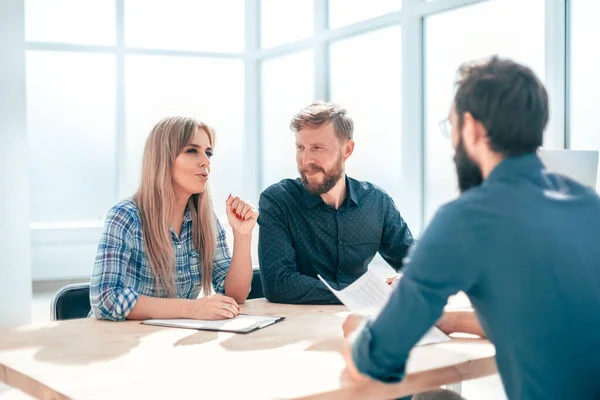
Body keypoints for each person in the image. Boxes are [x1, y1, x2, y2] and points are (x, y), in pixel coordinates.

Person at [342, 56, 600, 399]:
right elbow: (544, 319)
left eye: (452, 128)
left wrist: (359, 333)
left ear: (472, 128)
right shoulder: (586, 202)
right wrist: (451, 320)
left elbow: (376, 360)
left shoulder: (467, 219)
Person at [90, 116, 258, 321]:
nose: (205, 161)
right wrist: (192, 309)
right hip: (118, 342)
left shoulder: (206, 221)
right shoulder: (125, 217)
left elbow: (235, 296)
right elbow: (105, 300)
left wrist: (242, 235)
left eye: (208, 152)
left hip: (171, 342)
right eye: (191, 150)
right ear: (163, 158)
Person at [258, 102, 415, 304]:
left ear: (347, 150)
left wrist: (408, 278)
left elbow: (415, 264)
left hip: (360, 320)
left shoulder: (377, 202)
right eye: (301, 147)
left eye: (317, 148)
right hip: (299, 326)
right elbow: (277, 284)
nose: (306, 160)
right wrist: (358, 295)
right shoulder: (278, 201)